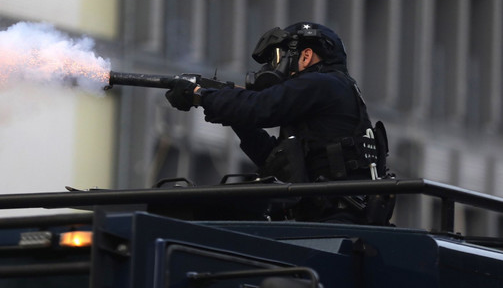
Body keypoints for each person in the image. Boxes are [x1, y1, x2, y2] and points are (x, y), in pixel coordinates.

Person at [165, 22, 391, 224]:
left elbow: (262, 107)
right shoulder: (320, 98)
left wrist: (202, 95)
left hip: (337, 220)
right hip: (321, 218)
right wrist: (234, 115)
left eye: (279, 58)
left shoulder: (323, 84)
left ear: (306, 56)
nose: (273, 68)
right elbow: (276, 160)